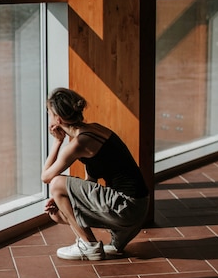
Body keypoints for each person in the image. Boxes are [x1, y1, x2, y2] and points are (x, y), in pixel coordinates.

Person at [41, 87, 149, 260]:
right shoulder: (95, 130)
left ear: (58, 119)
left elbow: (46, 177)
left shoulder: (78, 144)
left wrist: (57, 141)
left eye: (49, 112)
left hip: (126, 206)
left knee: (56, 184)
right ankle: (119, 235)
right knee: (56, 214)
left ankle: (89, 245)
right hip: (138, 208)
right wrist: (64, 200)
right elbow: (91, 181)